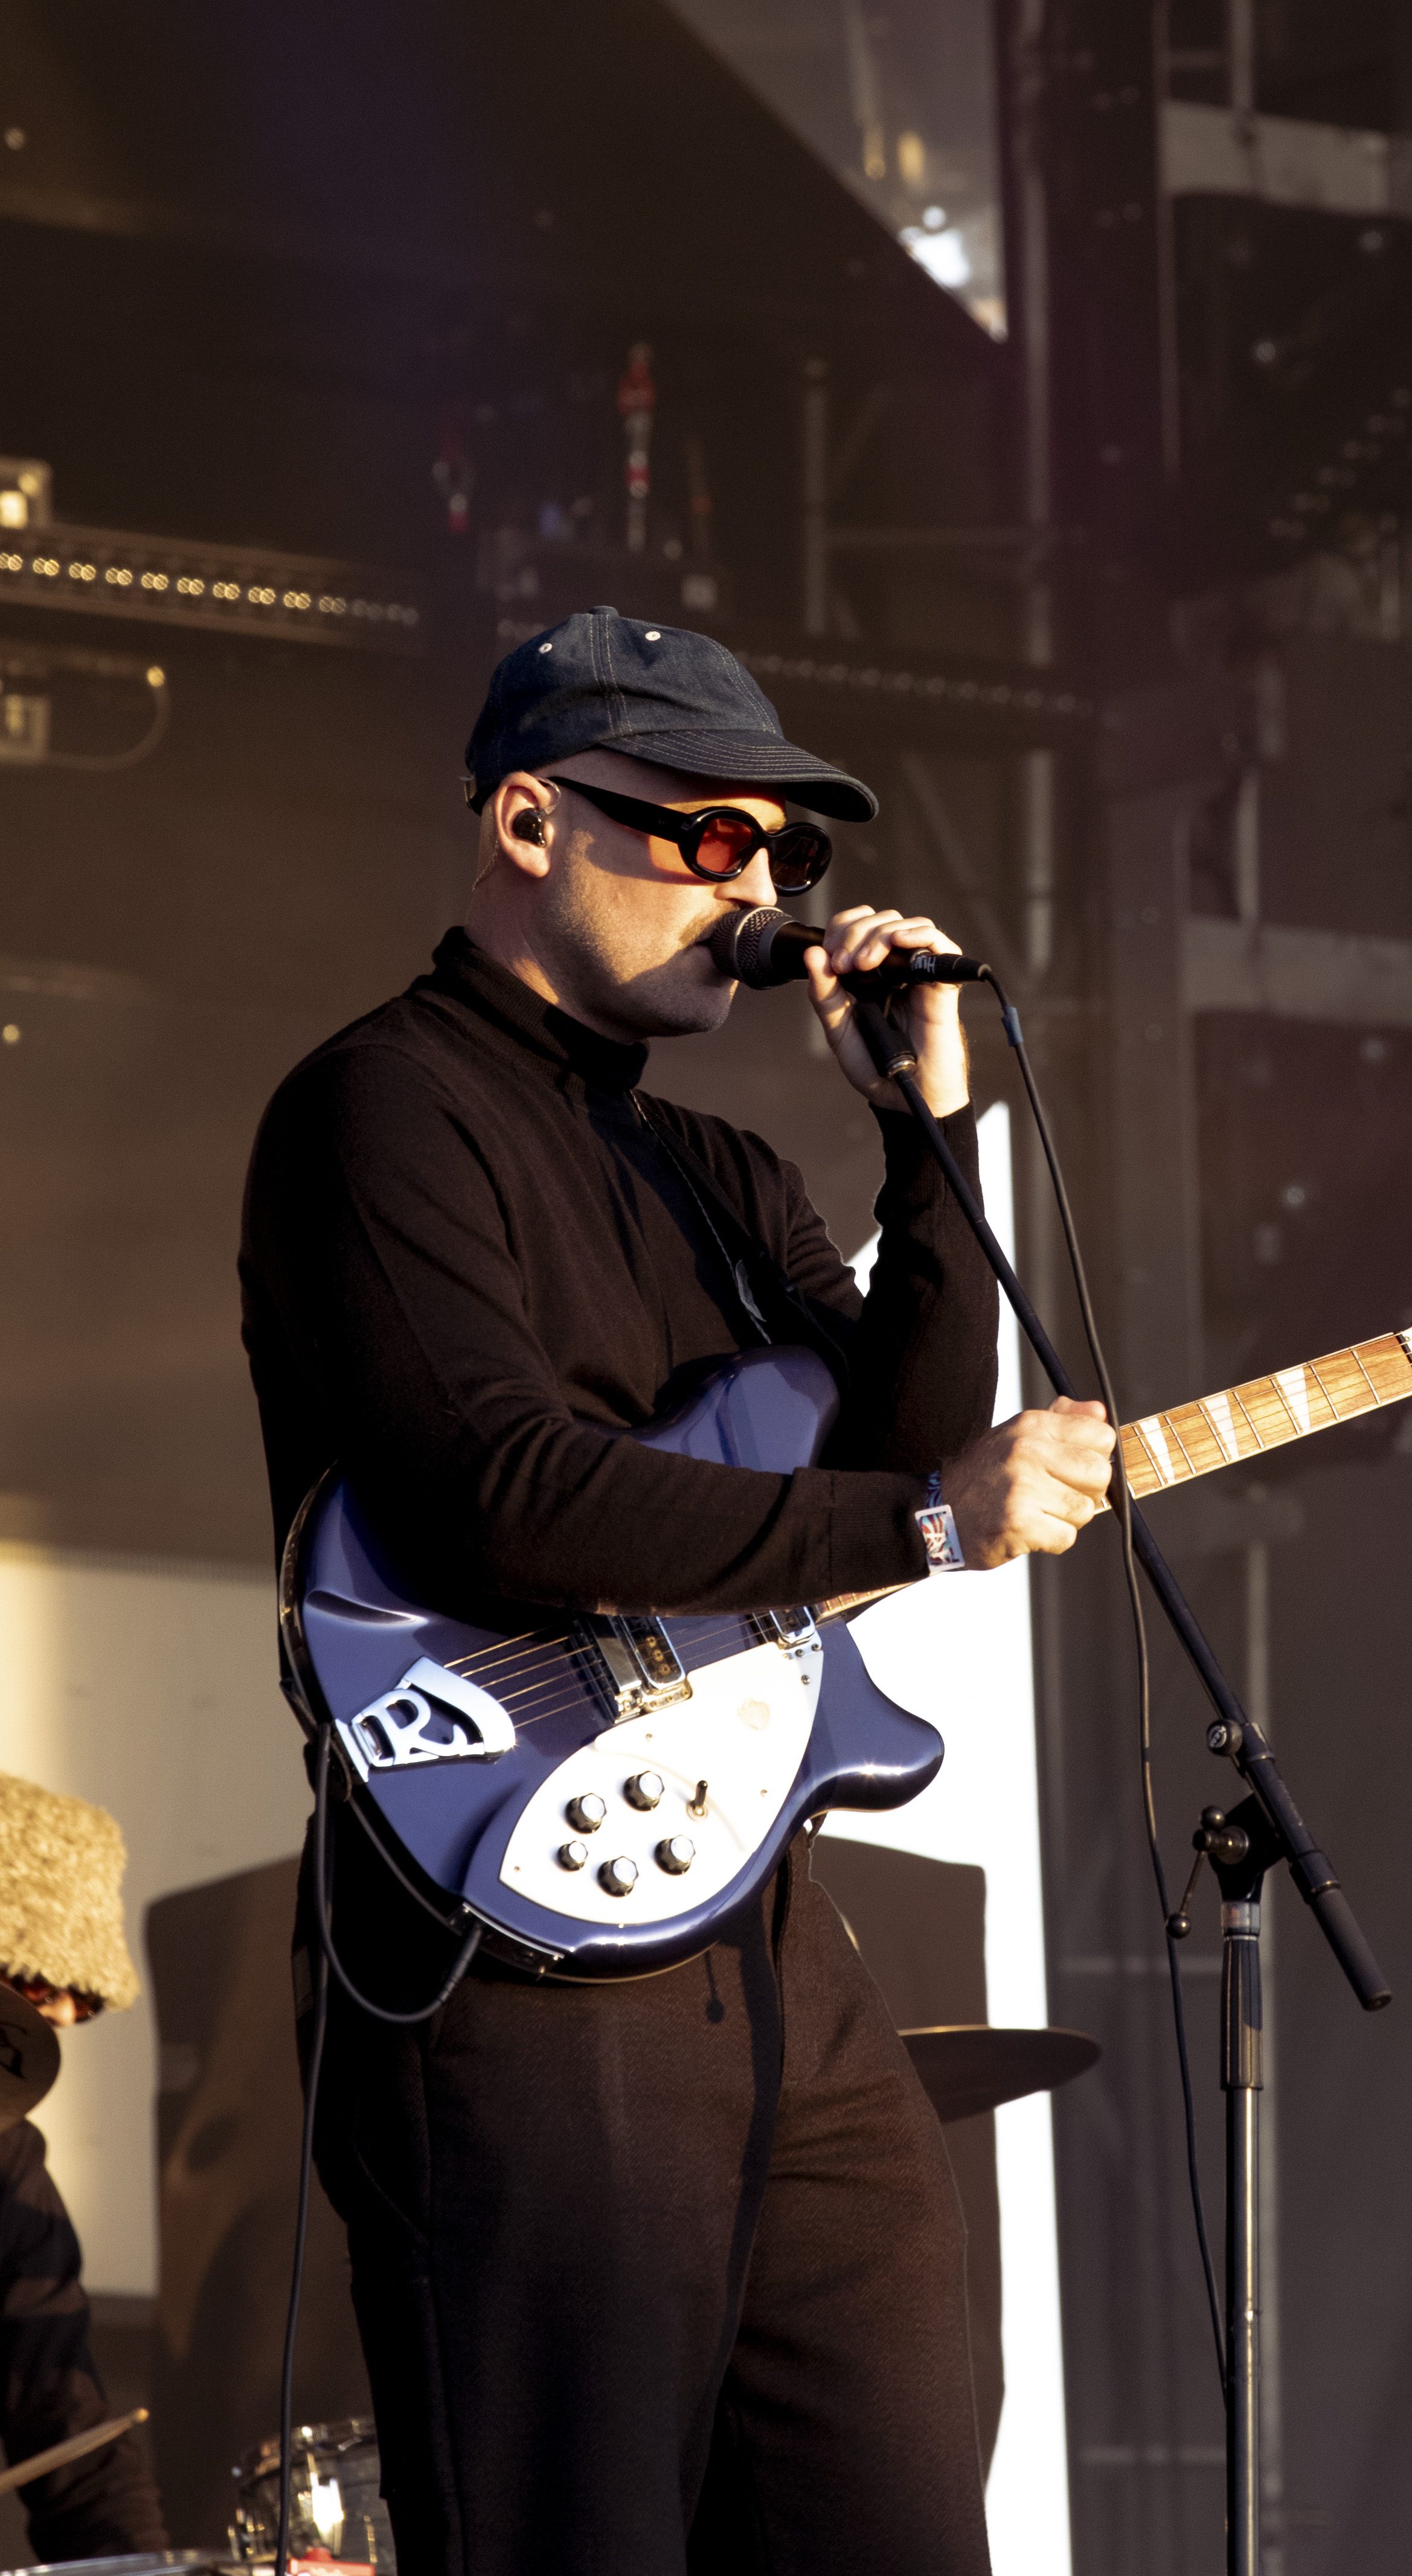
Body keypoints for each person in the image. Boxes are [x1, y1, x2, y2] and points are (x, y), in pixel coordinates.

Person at [239, 606, 1115, 2576]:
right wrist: (921, 1527)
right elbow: (497, 1492)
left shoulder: (721, 1173)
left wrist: (923, 1140)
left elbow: (895, 1449)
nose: (761, 888)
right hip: (510, 1954)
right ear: (529, 820)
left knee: (894, 2517)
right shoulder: (379, 1110)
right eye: (713, 835)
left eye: (787, 851)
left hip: (763, 1929)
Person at [0, 1772, 170, 2562]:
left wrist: (137, 2565)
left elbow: (71, 2436)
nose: (64, 2016)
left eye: (86, 2003)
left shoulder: (11, 2165)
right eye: (38, 1986)